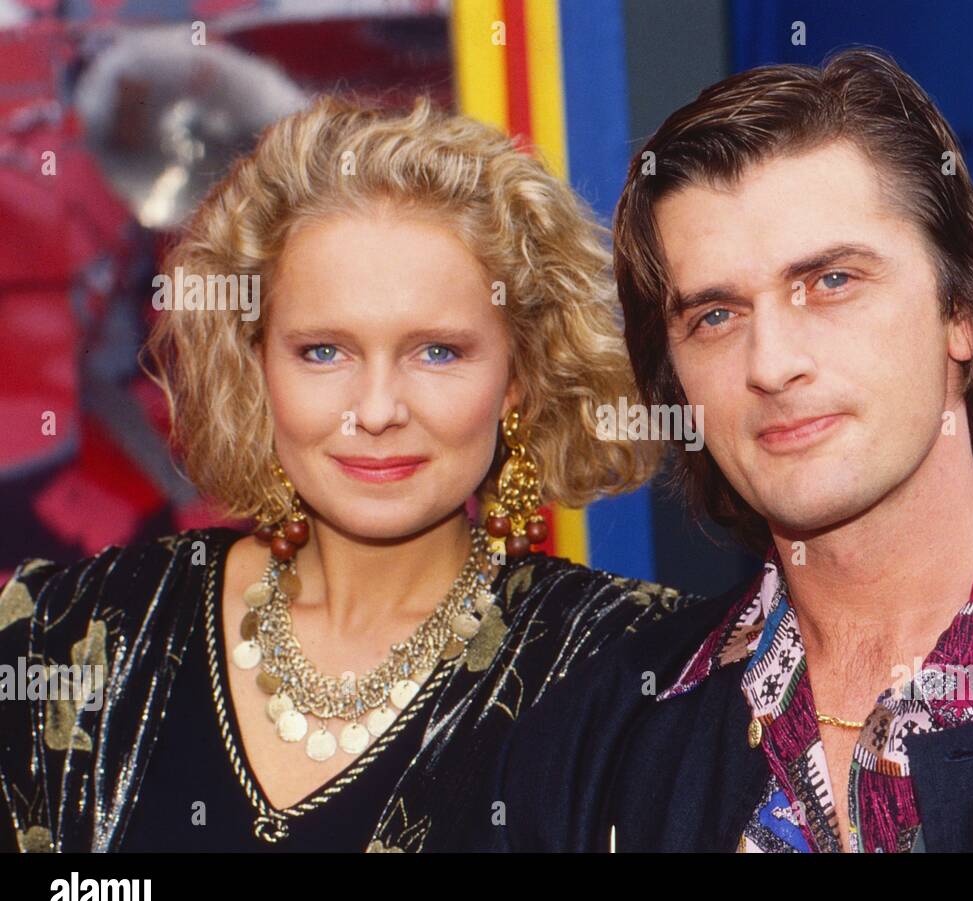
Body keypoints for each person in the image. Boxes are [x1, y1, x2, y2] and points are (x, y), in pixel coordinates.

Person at [472, 47, 973, 853]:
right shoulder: (590, 740)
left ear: (963, 313)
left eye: (832, 281)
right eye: (715, 315)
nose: (771, 364)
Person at [0, 95, 690, 853]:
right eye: (324, 351)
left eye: (438, 351)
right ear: (254, 363)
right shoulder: (67, 635)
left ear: (519, 377)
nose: (377, 409)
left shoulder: (634, 671)